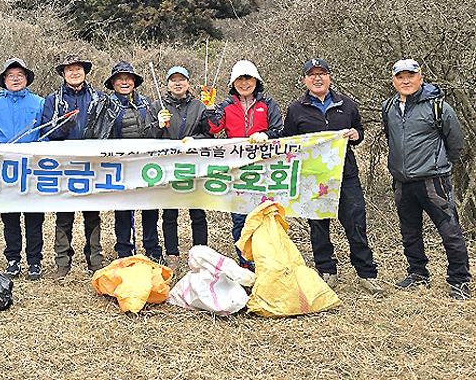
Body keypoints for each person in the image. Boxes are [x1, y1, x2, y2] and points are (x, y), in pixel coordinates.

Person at [283, 57, 385, 295]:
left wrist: (356, 135)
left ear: (329, 77)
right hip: (312, 178)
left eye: (322, 73)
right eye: (312, 74)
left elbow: (359, 130)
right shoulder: (295, 109)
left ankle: (366, 274)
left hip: (346, 176)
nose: (317, 78)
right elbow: (288, 142)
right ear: (304, 80)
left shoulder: (346, 104)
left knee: (356, 223)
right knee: (318, 226)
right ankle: (327, 271)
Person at [383, 59, 471, 300]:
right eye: (400, 77)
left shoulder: (438, 106)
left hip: (433, 181)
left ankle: (459, 280)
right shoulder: (388, 107)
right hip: (402, 182)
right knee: (409, 232)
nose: (406, 81)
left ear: (420, 78)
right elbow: (391, 138)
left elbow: (456, 142)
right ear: (394, 80)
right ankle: (418, 273)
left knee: (449, 231)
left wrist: (441, 164)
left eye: (410, 76)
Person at [202, 60, 283, 272]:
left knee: (265, 216)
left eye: (248, 78)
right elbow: (212, 129)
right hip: (236, 171)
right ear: (233, 83)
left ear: (256, 81)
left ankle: (266, 260)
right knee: (240, 219)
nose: (244, 83)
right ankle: (246, 262)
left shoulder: (268, 104)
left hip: (265, 170)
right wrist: (209, 109)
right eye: (240, 79)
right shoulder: (226, 105)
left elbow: (280, 130)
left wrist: (266, 134)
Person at [40, 54, 105, 279]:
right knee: (64, 214)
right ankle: (62, 262)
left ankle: (95, 260)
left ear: (85, 72)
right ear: (63, 74)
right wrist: (63, 128)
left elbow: (106, 128)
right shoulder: (53, 100)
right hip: (64, 164)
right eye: (70, 70)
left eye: (78, 69)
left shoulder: (98, 97)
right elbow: (45, 131)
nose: (74, 73)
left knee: (92, 213)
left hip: (91, 163)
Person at [0, 58, 46, 280]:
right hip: (5, 168)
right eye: (11, 75)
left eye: (20, 74)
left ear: (27, 78)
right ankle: (13, 259)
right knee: (10, 217)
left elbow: (46, 132)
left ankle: (34, 261)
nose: (16, 79)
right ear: (4, 80)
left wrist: (39, 147)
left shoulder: (39, 103)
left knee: (34, 217)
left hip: (33, 168)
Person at [145, 66, 209, 271]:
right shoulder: (157, 106)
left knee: (197, 212)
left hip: (194, 166)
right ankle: (172, 254)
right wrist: (158, 125)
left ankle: (201, 254)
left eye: (182, 79)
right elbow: (146, 136)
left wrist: (195, 139)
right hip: (167, 167)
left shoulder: (199, 106)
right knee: (169, 213)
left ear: (188, 83)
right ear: (168, 84)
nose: (178, 83)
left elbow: (209, 133)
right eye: (173, 80)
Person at [103, 61, 163, 261]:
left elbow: (152, 132)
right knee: (122, 210)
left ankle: (152, 248)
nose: (124, 82)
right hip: (120, 165)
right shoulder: (107, 105)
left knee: (150, 207)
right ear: (113, 83)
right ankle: (124, 250)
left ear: (134, 82)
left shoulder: (146, 104)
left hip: (145, 164)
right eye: (119, 79)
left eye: (128, 78)